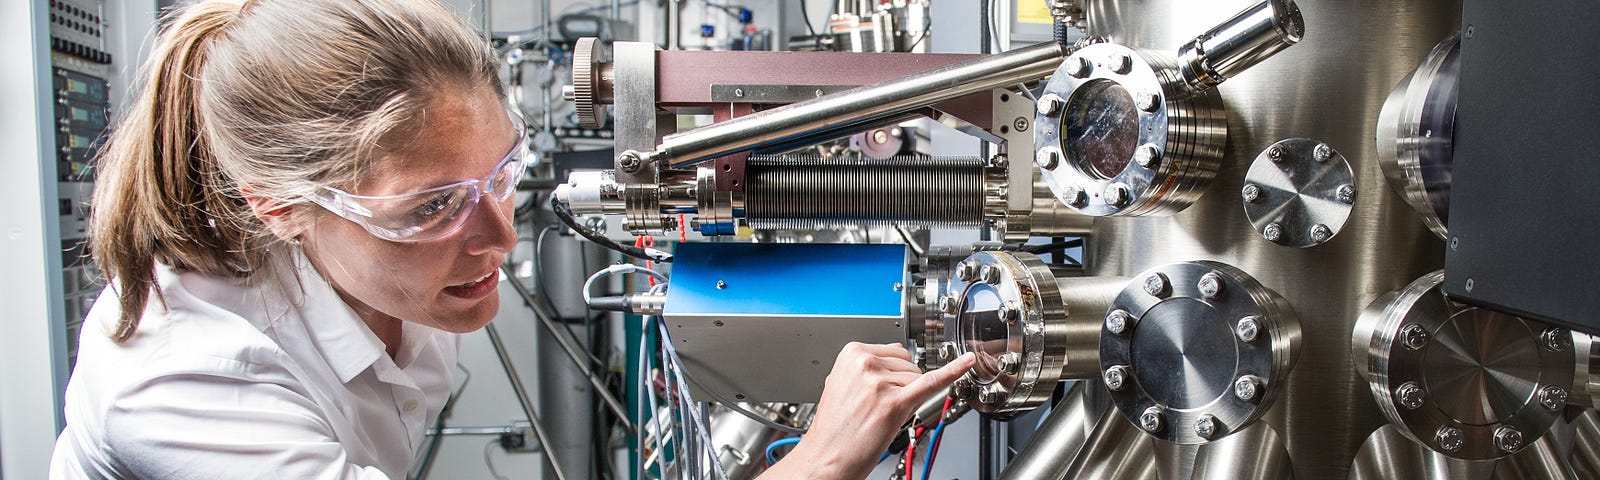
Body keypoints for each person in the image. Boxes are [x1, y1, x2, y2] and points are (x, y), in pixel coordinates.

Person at [48, 0, 976, 478]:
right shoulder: (189, 380)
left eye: (501, 175)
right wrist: (813, 464)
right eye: (428, 210)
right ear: (278, 209)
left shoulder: (390, 280)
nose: (497, 237)